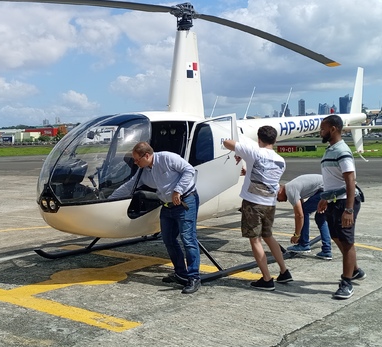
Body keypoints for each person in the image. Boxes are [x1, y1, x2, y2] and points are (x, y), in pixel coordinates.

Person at [111, 142, 201, 294]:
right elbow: (130, 186)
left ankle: (194, 277)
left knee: (188, 239)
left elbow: (189, 170)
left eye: (137, 159)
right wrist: (110, 199)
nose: (135, 162)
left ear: (146, 155)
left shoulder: (167, 158)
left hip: (185, 201)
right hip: (167, 205)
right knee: (168, 240)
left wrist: (178, 190)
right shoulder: (144, 171)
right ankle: (181, 274)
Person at [223, 126, 290, 291]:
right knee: (268, 236)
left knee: (255, 239)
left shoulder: (254, 152)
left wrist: (243, 149)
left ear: (259, 139)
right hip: (270, 203)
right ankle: (284, 270)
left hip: (253, 202)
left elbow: (227, 143)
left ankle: (267, 279)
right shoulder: (281, 160)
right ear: (274, 140)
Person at [316, 115, 366, 299]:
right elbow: (332, 180)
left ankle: (347, 282)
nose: (320, 131)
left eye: (323, 128)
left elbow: (350, 181)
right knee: (336, 237)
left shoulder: (342, 151)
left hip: (345, 202)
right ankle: (354, 269)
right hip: (334, 201)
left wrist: (349, 210)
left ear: (333, 129)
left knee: (347, 242)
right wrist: (325, 198)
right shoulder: (330, 150)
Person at [277, 174, 333, 260]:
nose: (278, 200)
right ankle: (326, 251)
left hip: (324, 190)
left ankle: (304, 244)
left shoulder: (290, 190)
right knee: (320, 218)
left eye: (276, 197)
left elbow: (300, 215)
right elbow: (301, 207)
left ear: (279, 191)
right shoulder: (292, 187)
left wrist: (297, 235)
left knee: (304, 211)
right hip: (330, 189)